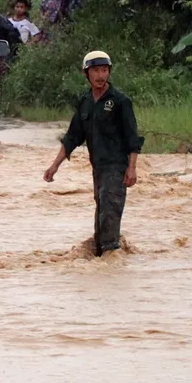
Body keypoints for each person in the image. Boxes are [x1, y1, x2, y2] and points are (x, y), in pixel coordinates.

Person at [44, 51, 143, 256]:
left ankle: (111, 261)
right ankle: (103, 261)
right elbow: (72, 137)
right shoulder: (85, 103)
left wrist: (132, 168)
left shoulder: (120, 101)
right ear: (86, 73)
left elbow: (133, 138)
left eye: (104, 70)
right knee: (101, 215)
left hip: (116, 167)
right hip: (97, 168)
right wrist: (54, 166)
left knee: (109, 212)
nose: (100, 75)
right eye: (96, 71)